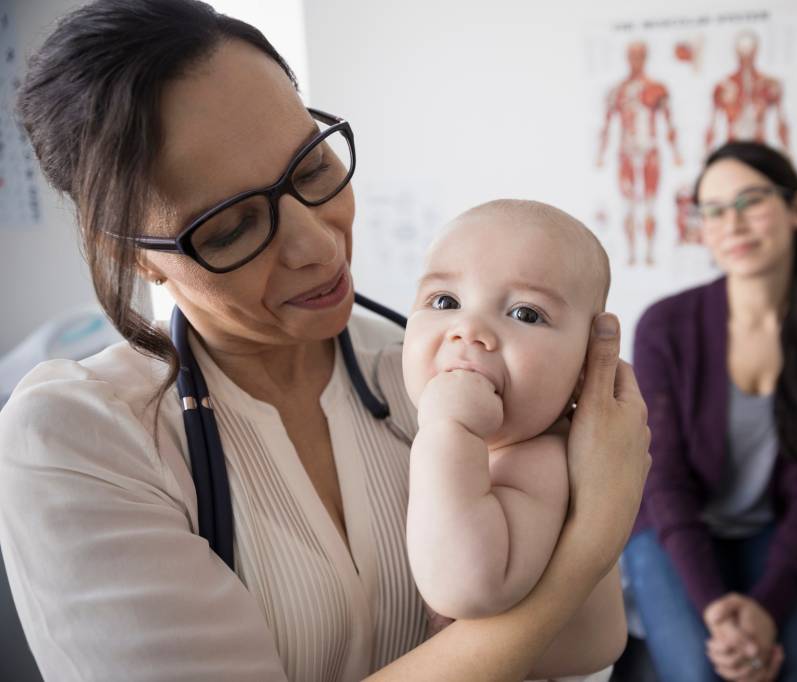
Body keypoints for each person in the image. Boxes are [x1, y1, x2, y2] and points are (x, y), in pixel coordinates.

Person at [0, 1, 651, 680]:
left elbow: (583, 650)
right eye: (232, 227)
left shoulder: (428, 366)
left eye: (311, 168)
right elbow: (561, 587)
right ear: (132, 255)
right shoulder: (79, 440)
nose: (317, 245)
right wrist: (594, 535)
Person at [624, 141, 797, 681]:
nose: (732, 224)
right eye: (714, 210)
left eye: (750, 201)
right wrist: (718, 612)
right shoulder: (663, 328)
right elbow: (663, 480)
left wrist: (768, 609)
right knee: (702, 673)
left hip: (784, 533)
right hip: (674, 532)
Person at [402, 200, 621, 681]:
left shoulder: (545, 461)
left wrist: (448, 429)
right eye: (445, 302)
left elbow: (466, 587)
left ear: (584, 370)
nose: (469, 330)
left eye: (525, 313)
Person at [596, 41, 682, 267]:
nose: (636, 60)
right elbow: (606, 125)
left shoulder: (657, 89)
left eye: (640, 55)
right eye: (633, 55)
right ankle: (632, 254)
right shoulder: (617, 91)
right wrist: (600, 154)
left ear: (646, 57)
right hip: (626, 152)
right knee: (629, 205)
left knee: (650, 204)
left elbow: (669, 122)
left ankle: (650, 253)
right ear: (627, 58)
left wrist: (676, 153)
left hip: (650, 151)